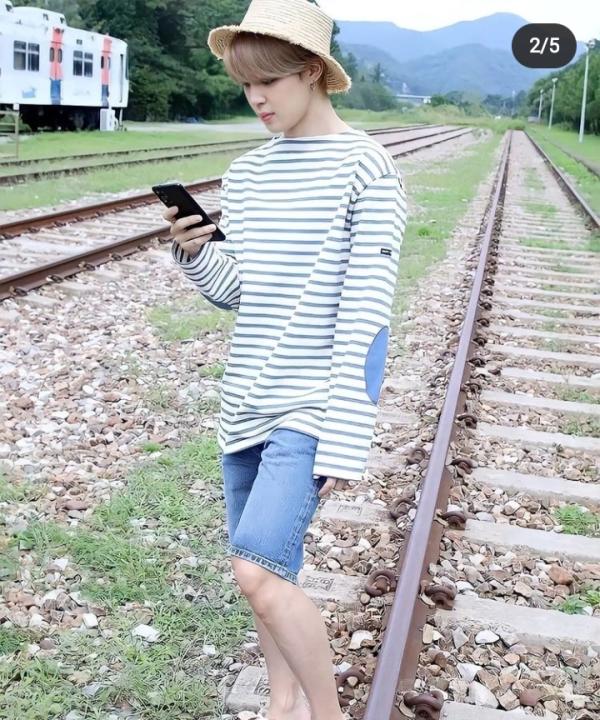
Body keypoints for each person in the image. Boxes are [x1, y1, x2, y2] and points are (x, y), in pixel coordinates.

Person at [162, 1, 408, 718]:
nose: (256, 98)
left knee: (255, 569)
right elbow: (239, 291)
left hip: (311, 405)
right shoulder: (247, 174)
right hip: (245, 399)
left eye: (268, 81)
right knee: (268, 572)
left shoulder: (366, 168)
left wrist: (346, 432)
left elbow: (366, 314)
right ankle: (281, 703)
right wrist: (195, 254)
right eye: (245, 85)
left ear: (311, 73)